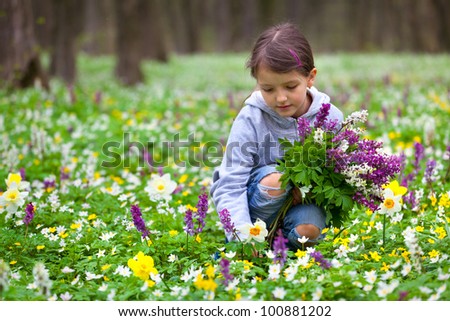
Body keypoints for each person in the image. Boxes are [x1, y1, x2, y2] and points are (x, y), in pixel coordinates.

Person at [210, 22, 343, 250]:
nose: (280, 98)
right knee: (278, 180)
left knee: (309, 231)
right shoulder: (251, 118)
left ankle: (280, 253)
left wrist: (313, 191)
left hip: (301, 207)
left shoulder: (331, 118)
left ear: (310, 77)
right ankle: (254, 242)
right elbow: (230, 184)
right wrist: (241, 237)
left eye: (290, 86)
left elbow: (341, 176)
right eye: (268, 89)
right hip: (255, 207)